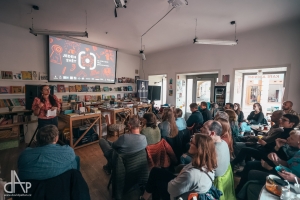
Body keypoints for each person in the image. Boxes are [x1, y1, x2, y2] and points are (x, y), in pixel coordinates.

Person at [139, 134, 217, 200]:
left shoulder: (192, 174)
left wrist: (177, 177)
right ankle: (145, 197)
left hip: (179, 196)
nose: (189, 143)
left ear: (198, 149)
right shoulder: (209, 165)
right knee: (155, 171)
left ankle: (144, 197)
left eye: (192, 142)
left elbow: (171, 190)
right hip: (186, 187)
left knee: (156, 181)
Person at [235, 130, 300, 194]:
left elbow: (288, 171)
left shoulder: (293, 151)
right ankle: (240, 191)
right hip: (281, 170)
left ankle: (240, 192)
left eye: (291, 138)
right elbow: (287, 164)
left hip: (290, 180)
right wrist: (276, 156)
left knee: (252, 174)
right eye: (289, 137)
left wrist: (270, 168)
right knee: (250, 165)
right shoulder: (297, 152)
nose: (288, 138)